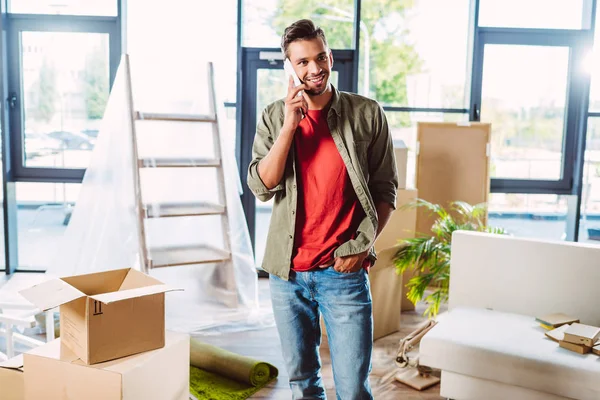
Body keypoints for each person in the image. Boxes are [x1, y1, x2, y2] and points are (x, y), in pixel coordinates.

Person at [247, 19, 398, 400]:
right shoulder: (273, 116)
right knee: (303, 383)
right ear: (290, 67)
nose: (314, 69)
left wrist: (363, 246)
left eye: (320, 58)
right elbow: (261, 187)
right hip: (287, 274)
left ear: (330, 56)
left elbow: (385, 191)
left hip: (342, 273)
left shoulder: (367, 113)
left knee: (352, 388)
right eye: (302, 62)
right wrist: (289, 127)